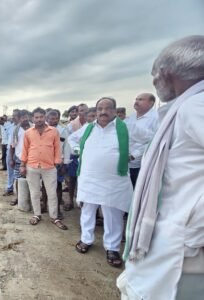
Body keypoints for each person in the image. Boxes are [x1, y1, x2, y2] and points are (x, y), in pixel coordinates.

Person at [118, 35, 204, 300]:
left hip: (182, 244)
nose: (154, 83)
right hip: (176, 238)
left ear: (166, 73)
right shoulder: (186, 107)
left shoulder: (195, 105)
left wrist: (194, 223)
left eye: (153, 76)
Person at [68, 97, 133, 268]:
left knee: (113, 213)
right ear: (96, 111)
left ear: (114, 110)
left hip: (114, 180)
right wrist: (79, 151)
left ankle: (112, 247)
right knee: (88, 210)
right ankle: (86, 239)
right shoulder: (88, 128)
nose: (103, 112)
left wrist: (134, 154)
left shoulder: (125, 127)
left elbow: (147, 142)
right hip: (90, 178)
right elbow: (72, 140)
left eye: (108, 108)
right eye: (100, 109)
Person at [19, 107, 68, 230]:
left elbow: (57, 148)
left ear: (45, 117)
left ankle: (54, 217)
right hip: (32, 166)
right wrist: (22, 165)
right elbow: (25, 150)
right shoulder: (28, 132)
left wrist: (58, 162)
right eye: (36, 117)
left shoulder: (54, 131)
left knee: (52, 193)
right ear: (32, 118)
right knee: (35, 193)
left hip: (49, 167)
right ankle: (37, 215)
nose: (39, 119)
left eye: (41, 117)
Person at [124, 93, 158, 187]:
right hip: (126, 164)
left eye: (141, 99)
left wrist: (134, 155)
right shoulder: (130, 118)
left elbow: (155, 141)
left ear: (151, 103)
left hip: (142, 165)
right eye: (136, 99)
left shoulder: (156, 118)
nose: (136, 102)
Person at [41, 109, 71, 214]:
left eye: (56, 119)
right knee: (44, 185)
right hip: (45, 161)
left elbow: (67, 147)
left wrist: (66, 163)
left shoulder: (63, 130)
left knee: (58, 186)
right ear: (47, 119)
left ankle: (57, 209)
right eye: (51, 119)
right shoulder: (42, 129)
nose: (54, 121)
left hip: (58, 162)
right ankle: (44, 205)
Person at [9, 110, 31, 206]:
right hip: (19, 158)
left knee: (33, 180)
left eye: (26, 117)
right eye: (22, 117)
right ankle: (18, 197)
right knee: (18, 179)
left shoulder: (34, 128)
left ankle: (32, 198)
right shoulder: (16, 130)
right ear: (19, 119)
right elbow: (11, 146)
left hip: (32, 159)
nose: (25, 119)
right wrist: (11, 159)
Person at [3, 110, 18, 196]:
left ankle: (18, 191)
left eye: (15, 116)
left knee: (19, 172)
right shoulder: (10, 126)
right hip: (10, 149)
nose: (13, 117)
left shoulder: (23, 128)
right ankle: (10, 188)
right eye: (13, 115)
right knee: (10, 170)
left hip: (19, 151)